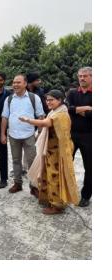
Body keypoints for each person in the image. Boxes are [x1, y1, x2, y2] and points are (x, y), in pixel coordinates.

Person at [20, 90, 79, 214]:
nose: (48, 102)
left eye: (51, 100)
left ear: (60, 100)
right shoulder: (55, 111)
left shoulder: (61, 114)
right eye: (47, 100)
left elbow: (45, 123)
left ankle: (57, 205)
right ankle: (48, 198)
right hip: (50, 151)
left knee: (55, 178)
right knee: (46, 174)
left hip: (58, 153)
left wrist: (28, 120)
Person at [1, 74, 45, 195]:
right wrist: (3, 134)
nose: (15, 85)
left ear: (25, 83)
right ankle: (17, 183)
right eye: (14, 82)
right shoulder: (9, 99)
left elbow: (40, 115)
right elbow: (4, 117)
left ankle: (34, 186)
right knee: (16, 161)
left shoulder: (34, 98)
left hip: (29, 134)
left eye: (18, 82)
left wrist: (40, 132)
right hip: (13, 135)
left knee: (32, 161)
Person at [66, 66, 92, 207]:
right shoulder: (72, 93)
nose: (82, 78)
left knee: (90, 167)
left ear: (92, 77)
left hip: (90, 136)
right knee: (65, 163)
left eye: (85, 76)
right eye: (80, 76)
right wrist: (86, 108)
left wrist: (77, 111)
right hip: (72, 135)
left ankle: (86, 196)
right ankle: (65, 192)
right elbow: (66, 109)